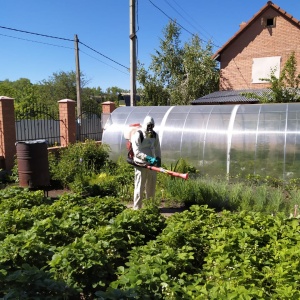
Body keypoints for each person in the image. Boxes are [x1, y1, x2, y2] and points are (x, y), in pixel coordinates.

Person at [131, 115, 161, 210]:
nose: (150, 128)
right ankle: (137, 209)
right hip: (141, 164)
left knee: (151, 188)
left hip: (152, 165)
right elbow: (136, 152)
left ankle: (150, 207)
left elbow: (157, 148)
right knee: (139, 187)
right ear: (145, 125)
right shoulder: (138, 135)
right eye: (149, 126)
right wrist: (147, 158)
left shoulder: (154, 135)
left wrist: (158, 159)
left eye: (152, 126)